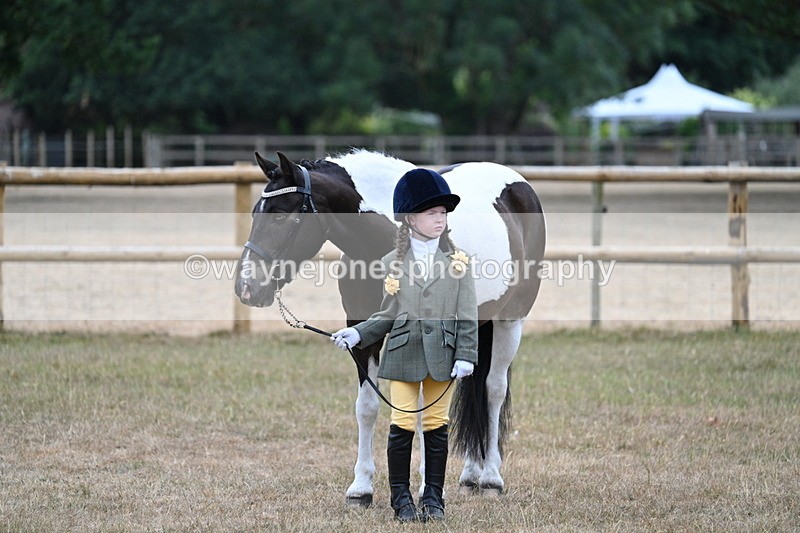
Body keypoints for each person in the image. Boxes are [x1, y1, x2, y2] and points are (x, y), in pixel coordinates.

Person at [331, 168, 479, 523]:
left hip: (443, 356)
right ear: (411, 218)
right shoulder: (390, 264)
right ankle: (401, 500)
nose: (440, 219)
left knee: (435, 424)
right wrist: (358, 334)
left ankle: (433, 498)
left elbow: (467, 316)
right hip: (402, 353)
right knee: (401, 424)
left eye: (443, 213)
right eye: (432, 213)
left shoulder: (460, 265)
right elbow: (387, 313)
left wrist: (467, 355)